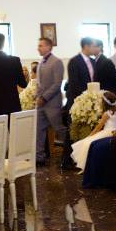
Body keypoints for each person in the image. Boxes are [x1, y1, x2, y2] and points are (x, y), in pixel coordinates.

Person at [34, 37, 71, 168]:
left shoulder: (57, 62)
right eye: (38, 46)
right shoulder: (40, 62)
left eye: (41, 45)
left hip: (52, 103)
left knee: (59, 129)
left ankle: (70, 154)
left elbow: (57, 84)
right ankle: (39, 157)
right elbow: (39, 83)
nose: (38, 48)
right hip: (40, 104)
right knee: (39, 131)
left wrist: (44, 97)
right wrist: (36, 96)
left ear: (49, 47)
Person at [70, 91, 116, 172]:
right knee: (87, 142)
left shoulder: (107, 113)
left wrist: (89, 135)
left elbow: (98, 128)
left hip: (108, 132)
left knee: (87, 142)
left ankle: (85, 166)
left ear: (104, 103)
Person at [65, 37, 97, 118]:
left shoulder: (93, 61)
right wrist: (85, 97)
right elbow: (74, 83)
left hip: (91, 100)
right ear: (86, 46)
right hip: (78, 99)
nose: (95, 48)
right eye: (93, 46)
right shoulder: (74, 61)